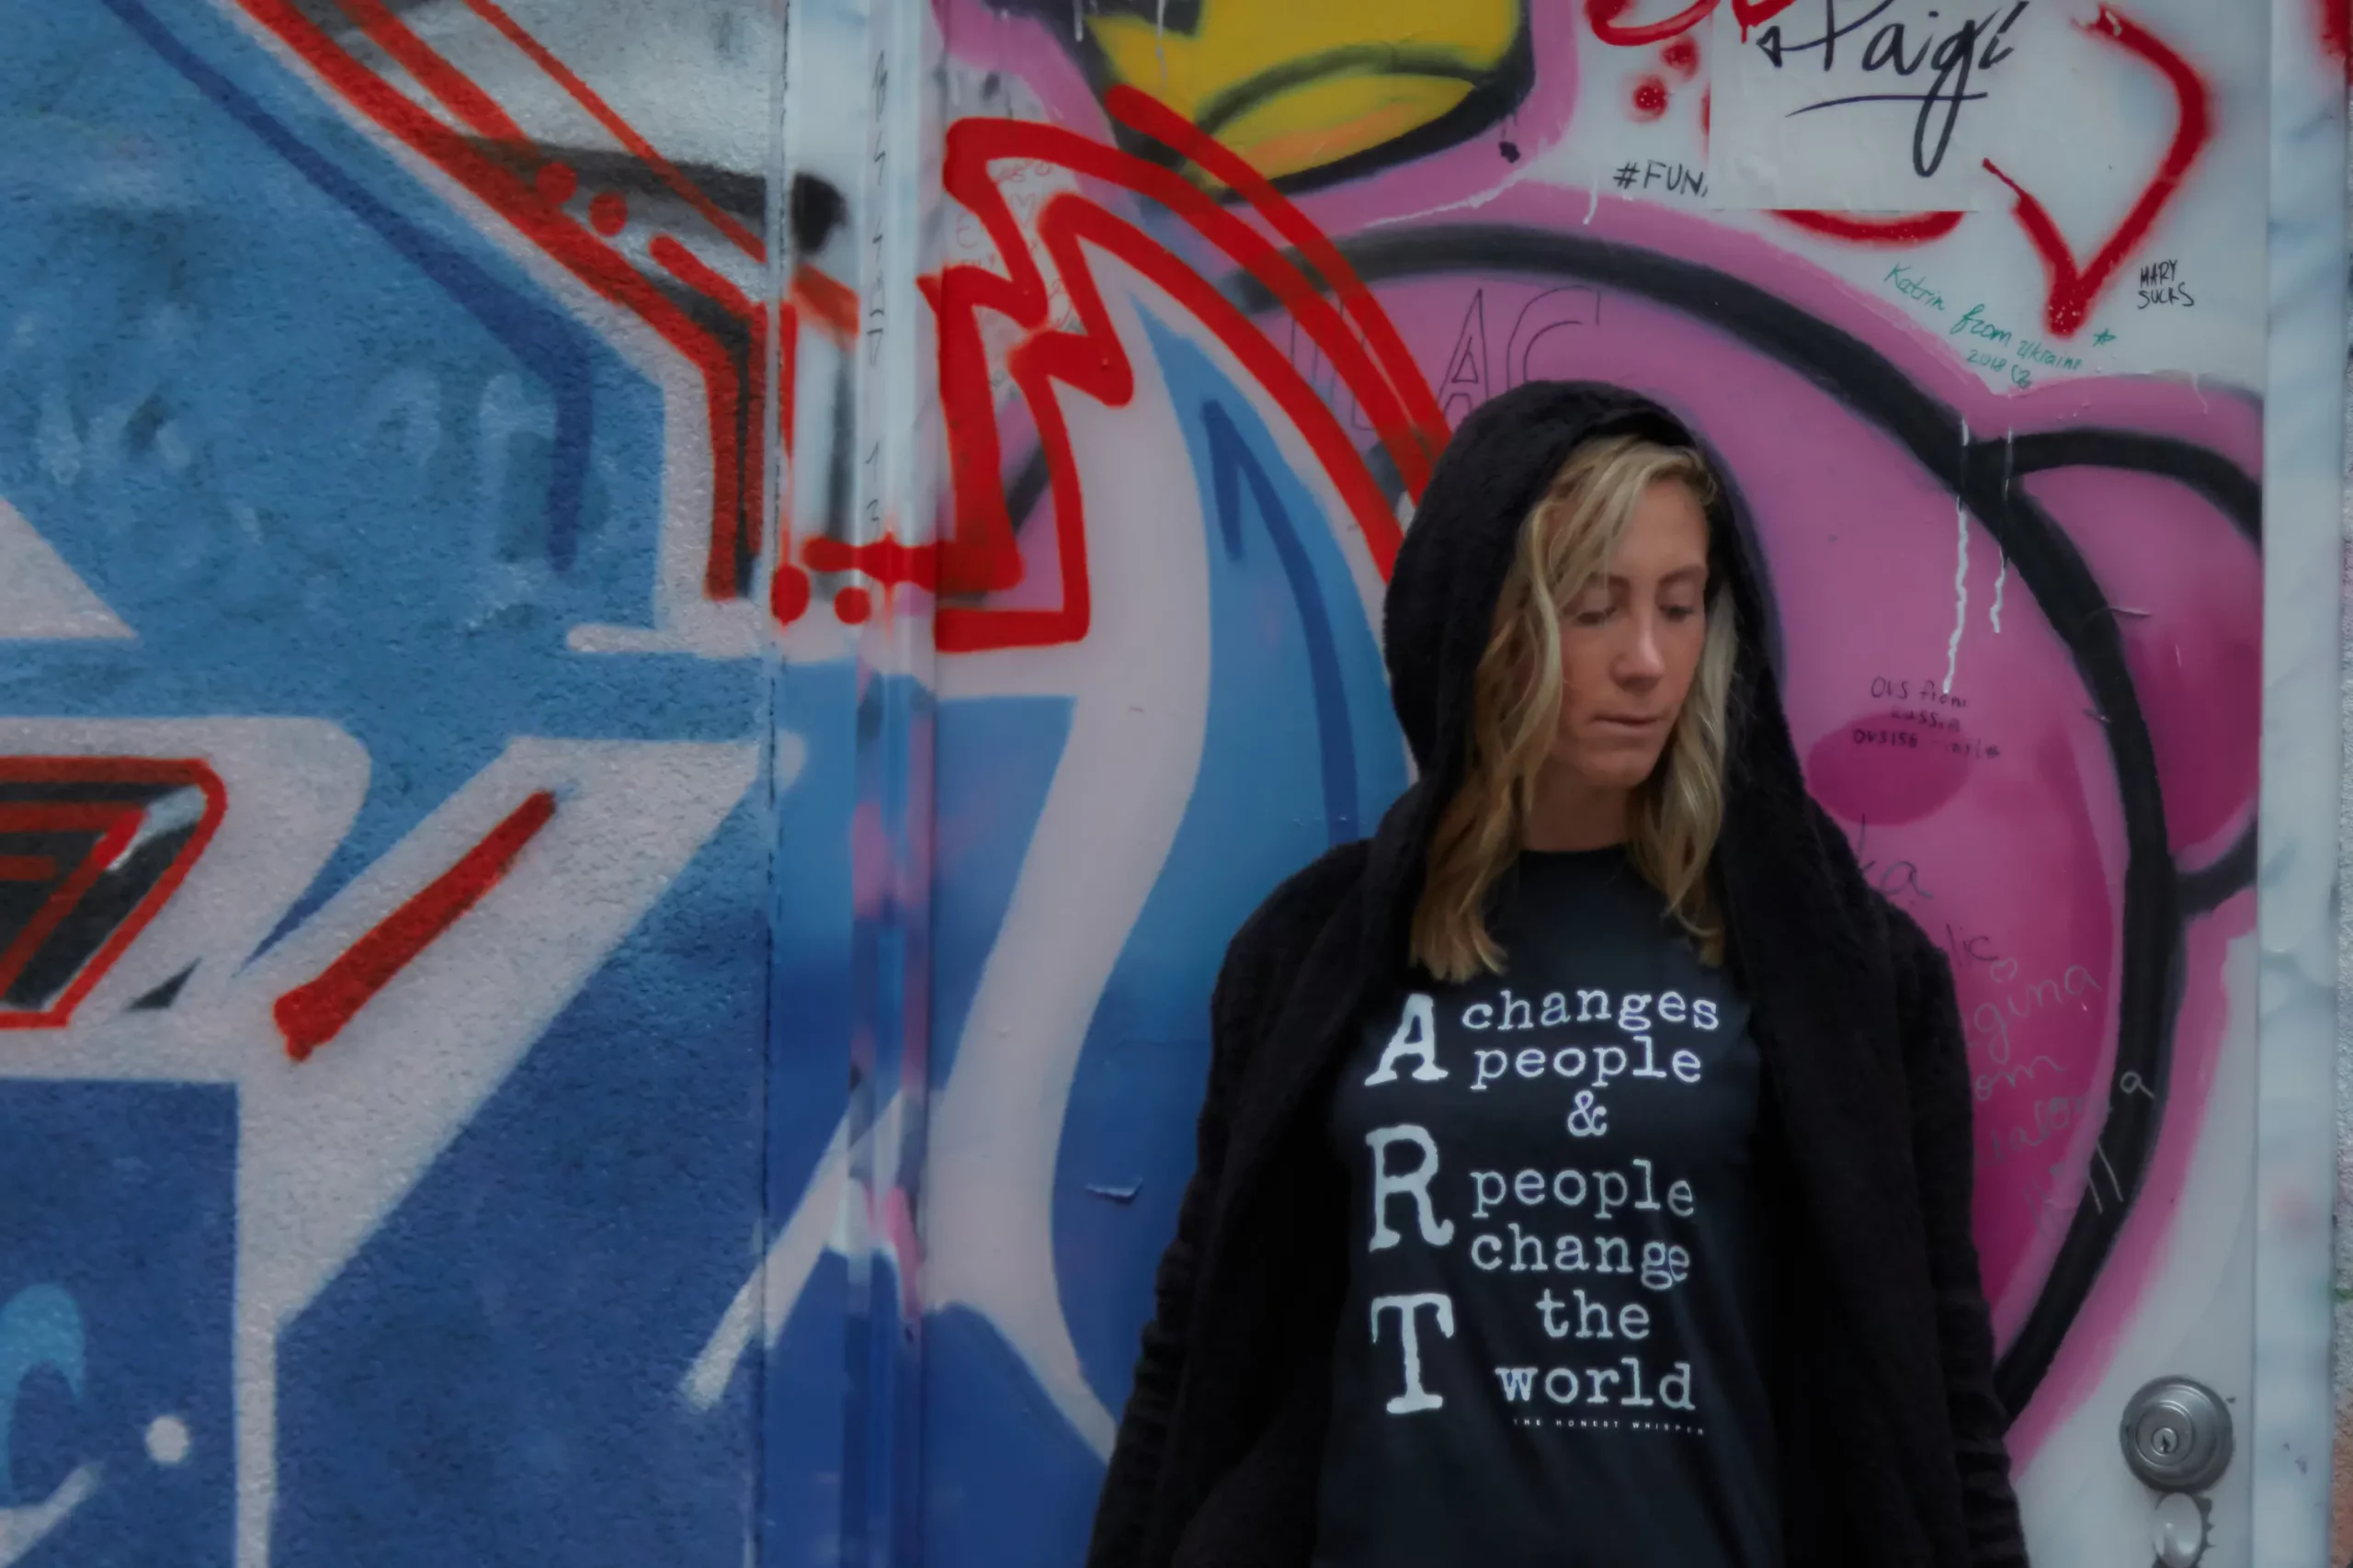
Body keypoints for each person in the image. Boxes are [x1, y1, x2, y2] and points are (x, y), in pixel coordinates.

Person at [1085, 382, 2025, 1568]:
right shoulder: (1313, 952)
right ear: (1482, 625)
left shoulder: (1838, 971)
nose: (1646, 661)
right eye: (1592, 610)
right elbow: (1200, 1344)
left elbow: (1933, 1371)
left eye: (1681, 608)